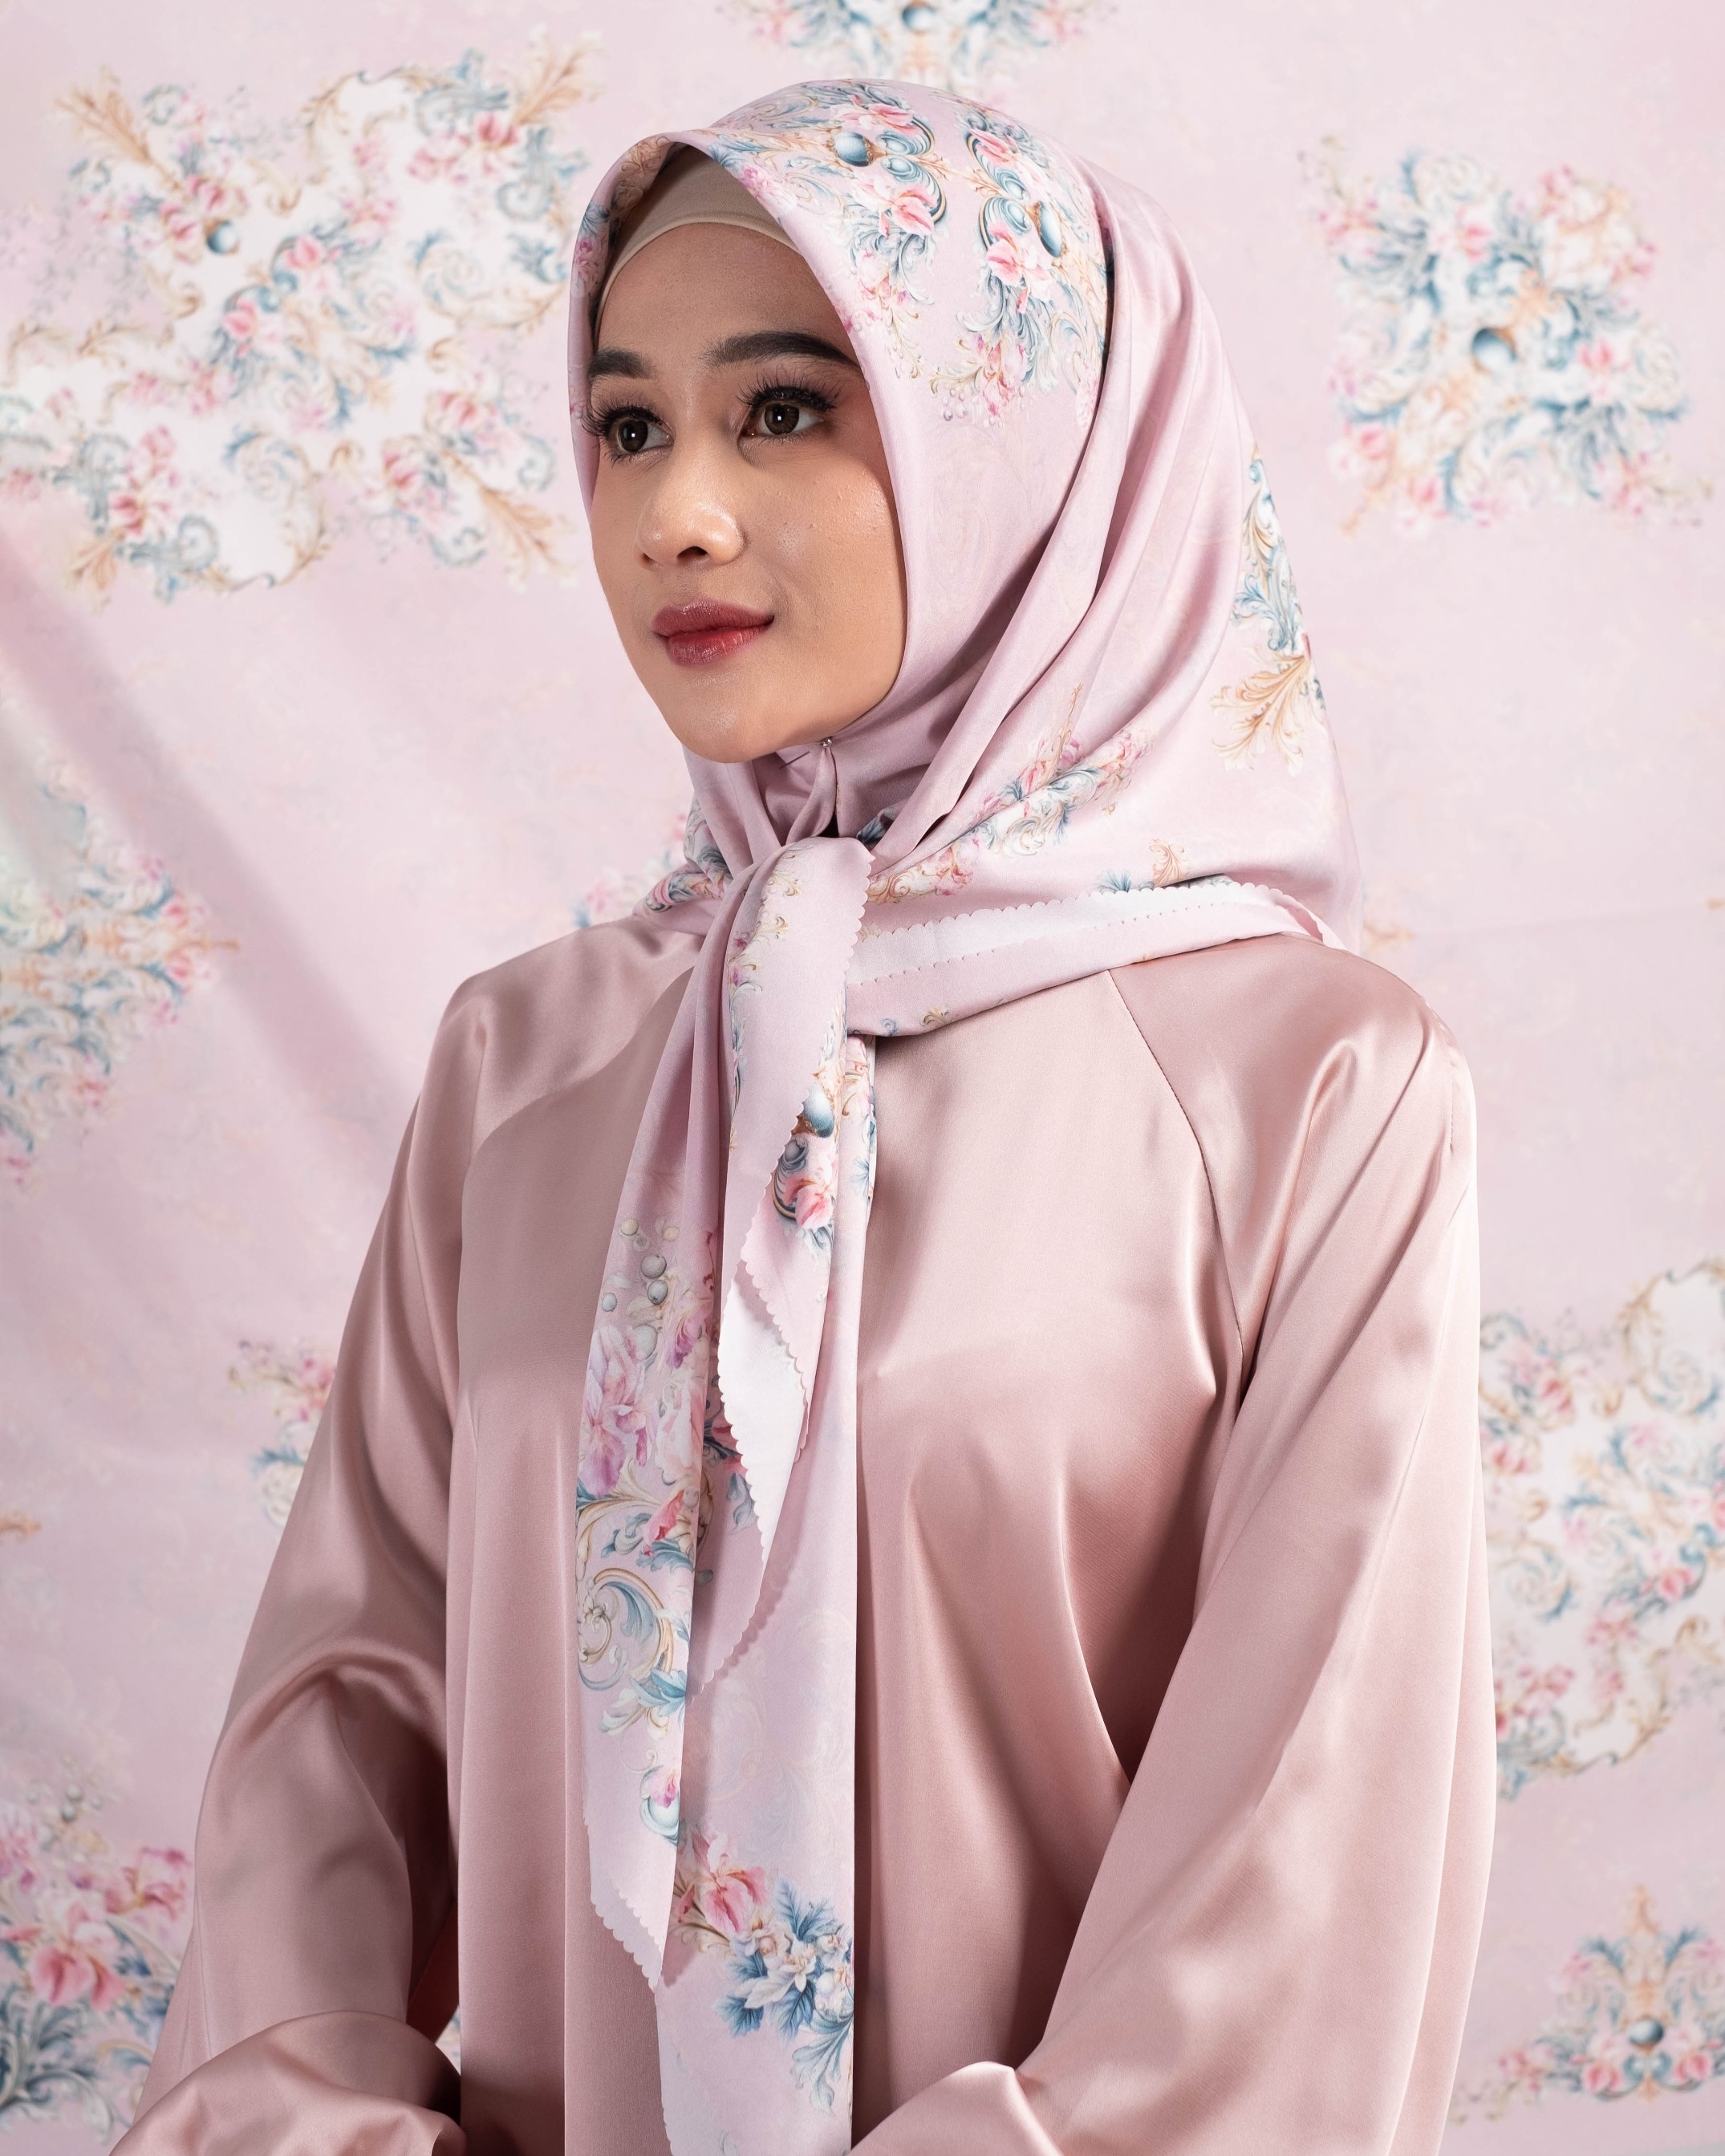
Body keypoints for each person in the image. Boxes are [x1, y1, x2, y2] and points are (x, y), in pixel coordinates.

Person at [119, 80, 1493, 2156]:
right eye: (627, 427)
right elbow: (342, 1725)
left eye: (783, 410)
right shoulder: (531, 1062)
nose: (675, 512)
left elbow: (1307, 1855)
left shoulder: (1310, 1086)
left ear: (1033, 456)